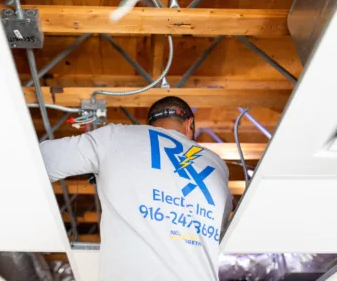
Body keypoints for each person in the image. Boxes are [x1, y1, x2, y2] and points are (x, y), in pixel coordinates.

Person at [40, 96, 233, 281]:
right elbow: (221, 227)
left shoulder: (116, 137)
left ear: (150, 125)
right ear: (190, 124)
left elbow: (42, 160)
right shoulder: (217, 164)